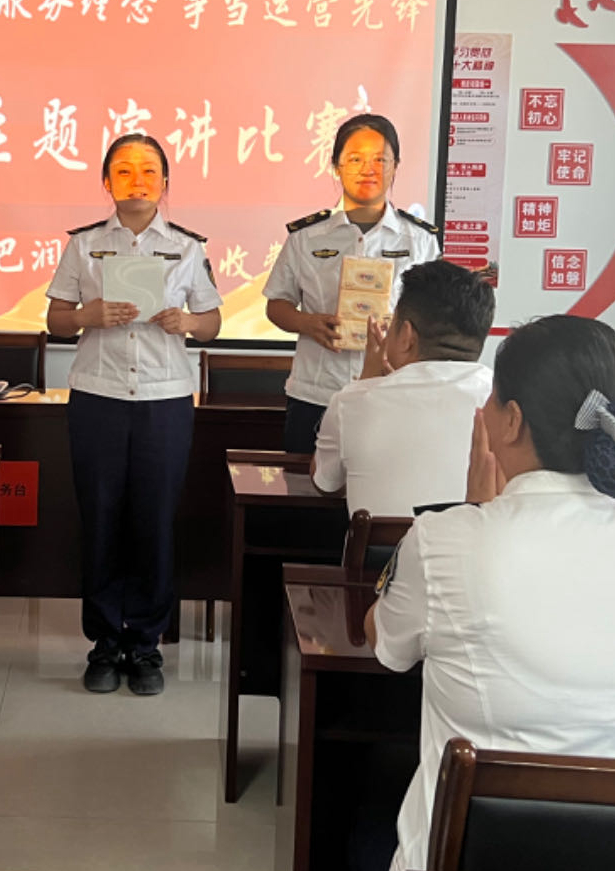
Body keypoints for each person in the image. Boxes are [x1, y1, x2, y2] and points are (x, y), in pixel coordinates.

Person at [362, 315, 615, 871]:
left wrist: (472, 516)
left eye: (491, 399)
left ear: (512, 421)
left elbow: (386, 644)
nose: (481, 411)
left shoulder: (445, 540)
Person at [45, 133, 223, 697]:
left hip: (164, 398)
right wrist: (87, 315)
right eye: (123, 170)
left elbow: (212, 322)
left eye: (149, 170)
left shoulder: (187, 247)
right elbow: (55, 319)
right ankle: (104, 642)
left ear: (165, 182)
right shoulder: (84, 245)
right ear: (107, 182)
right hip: (97, 395)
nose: (137, 179)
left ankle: (145, 644)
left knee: (154, 519)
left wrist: (187, 323)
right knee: (100, 518)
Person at [263, 113, 441, 455]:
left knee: (384, 486)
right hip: (317, 392)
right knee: (306, 485)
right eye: (356, 159)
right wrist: (307, 323)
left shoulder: (420, 240)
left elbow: (435, 315)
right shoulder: (306, 237)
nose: (368, 169)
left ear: (396, 166)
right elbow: (277, 305)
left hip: (393, 391)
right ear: (336, 166)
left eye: (380, 160)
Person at [311, 261, 495, 517]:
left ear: (407, 335)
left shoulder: (350, 403)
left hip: (382, 546)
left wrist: (365, 381)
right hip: (470, 543)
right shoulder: (505, 400)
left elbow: (326, 484)